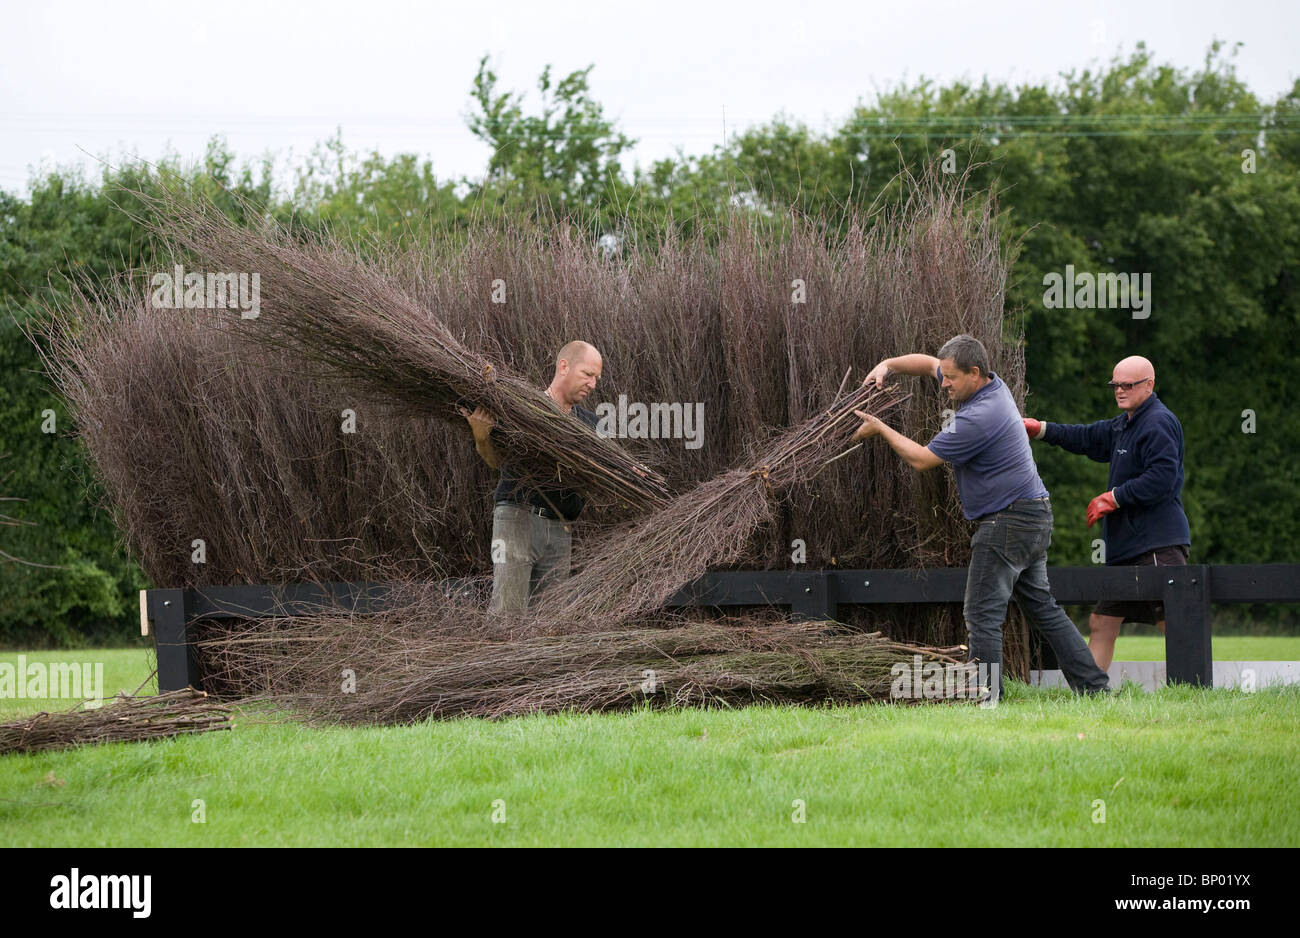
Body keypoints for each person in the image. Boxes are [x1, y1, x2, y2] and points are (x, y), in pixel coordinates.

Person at [853, 334, 1111, 701]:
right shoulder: (993, 386)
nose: (944, 385)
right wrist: (889, 365)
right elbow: (930, 364)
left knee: (981, 615)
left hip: (1008, 522)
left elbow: (922, 460)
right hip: (1033, 515)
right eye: (944, 377)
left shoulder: (978, 417)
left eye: (952, 379)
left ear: (974, 373)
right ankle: (1095, 689)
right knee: (1043, 609)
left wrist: (879, 428)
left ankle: (987, 699)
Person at [1023, 355, 1190, 670]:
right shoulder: (1124, 423)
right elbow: (1086, 437)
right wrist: (1041, 429)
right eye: (1115, 385)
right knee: (1102, 621)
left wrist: (1114, 497)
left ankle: (1195, 691)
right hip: (1126, 549)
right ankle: (1093, 693)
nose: (1119, 391)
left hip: (1156, 545)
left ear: (1149, 385)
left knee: (1174, 620)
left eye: (1128, 385)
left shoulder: (1158, 422)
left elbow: (1162, 479)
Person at [463, 341, 603, 614]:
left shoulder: (590, 426)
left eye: (597, 378)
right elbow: (497, 462)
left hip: (561, 528)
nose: (593, 384)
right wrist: (481, 439)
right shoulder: (522, 409)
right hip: (517, 520)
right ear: (564, 366)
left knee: (549, 622)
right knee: (507, 614)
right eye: (588, 374)